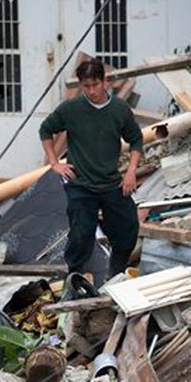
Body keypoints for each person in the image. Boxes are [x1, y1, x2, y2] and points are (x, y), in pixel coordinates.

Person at [39, 59, 143, 279]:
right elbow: (45, 130)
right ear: (80, 85)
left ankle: (116, 272)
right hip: (81, 184)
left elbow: (136, 140)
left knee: (128, 227)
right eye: (86, 86)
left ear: (104, 82)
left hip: (111, 182)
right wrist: (54, 163)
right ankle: (74, 277)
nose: (92, 91)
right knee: (81, 234)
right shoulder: (71, 109)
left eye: (95, 85)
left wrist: (131, 171)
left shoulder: (119, 109)